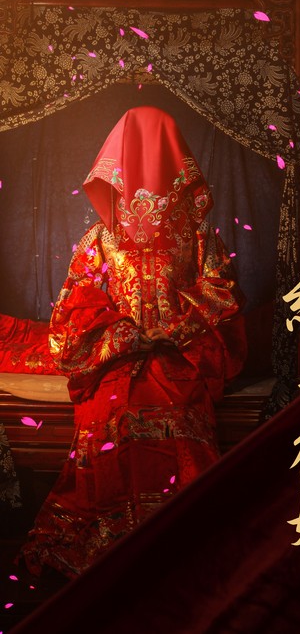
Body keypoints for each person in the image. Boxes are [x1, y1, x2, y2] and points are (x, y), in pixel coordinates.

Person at [18, 106, 247, 579]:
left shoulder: (197, 234)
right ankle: (113, 539)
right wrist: (123, 336)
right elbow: (74, 307)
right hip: (118, 357)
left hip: (178, 355)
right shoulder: (102, 237)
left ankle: (173, 542)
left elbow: (221, 292)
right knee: (111, 415)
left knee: (177, 414)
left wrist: (172, 330)